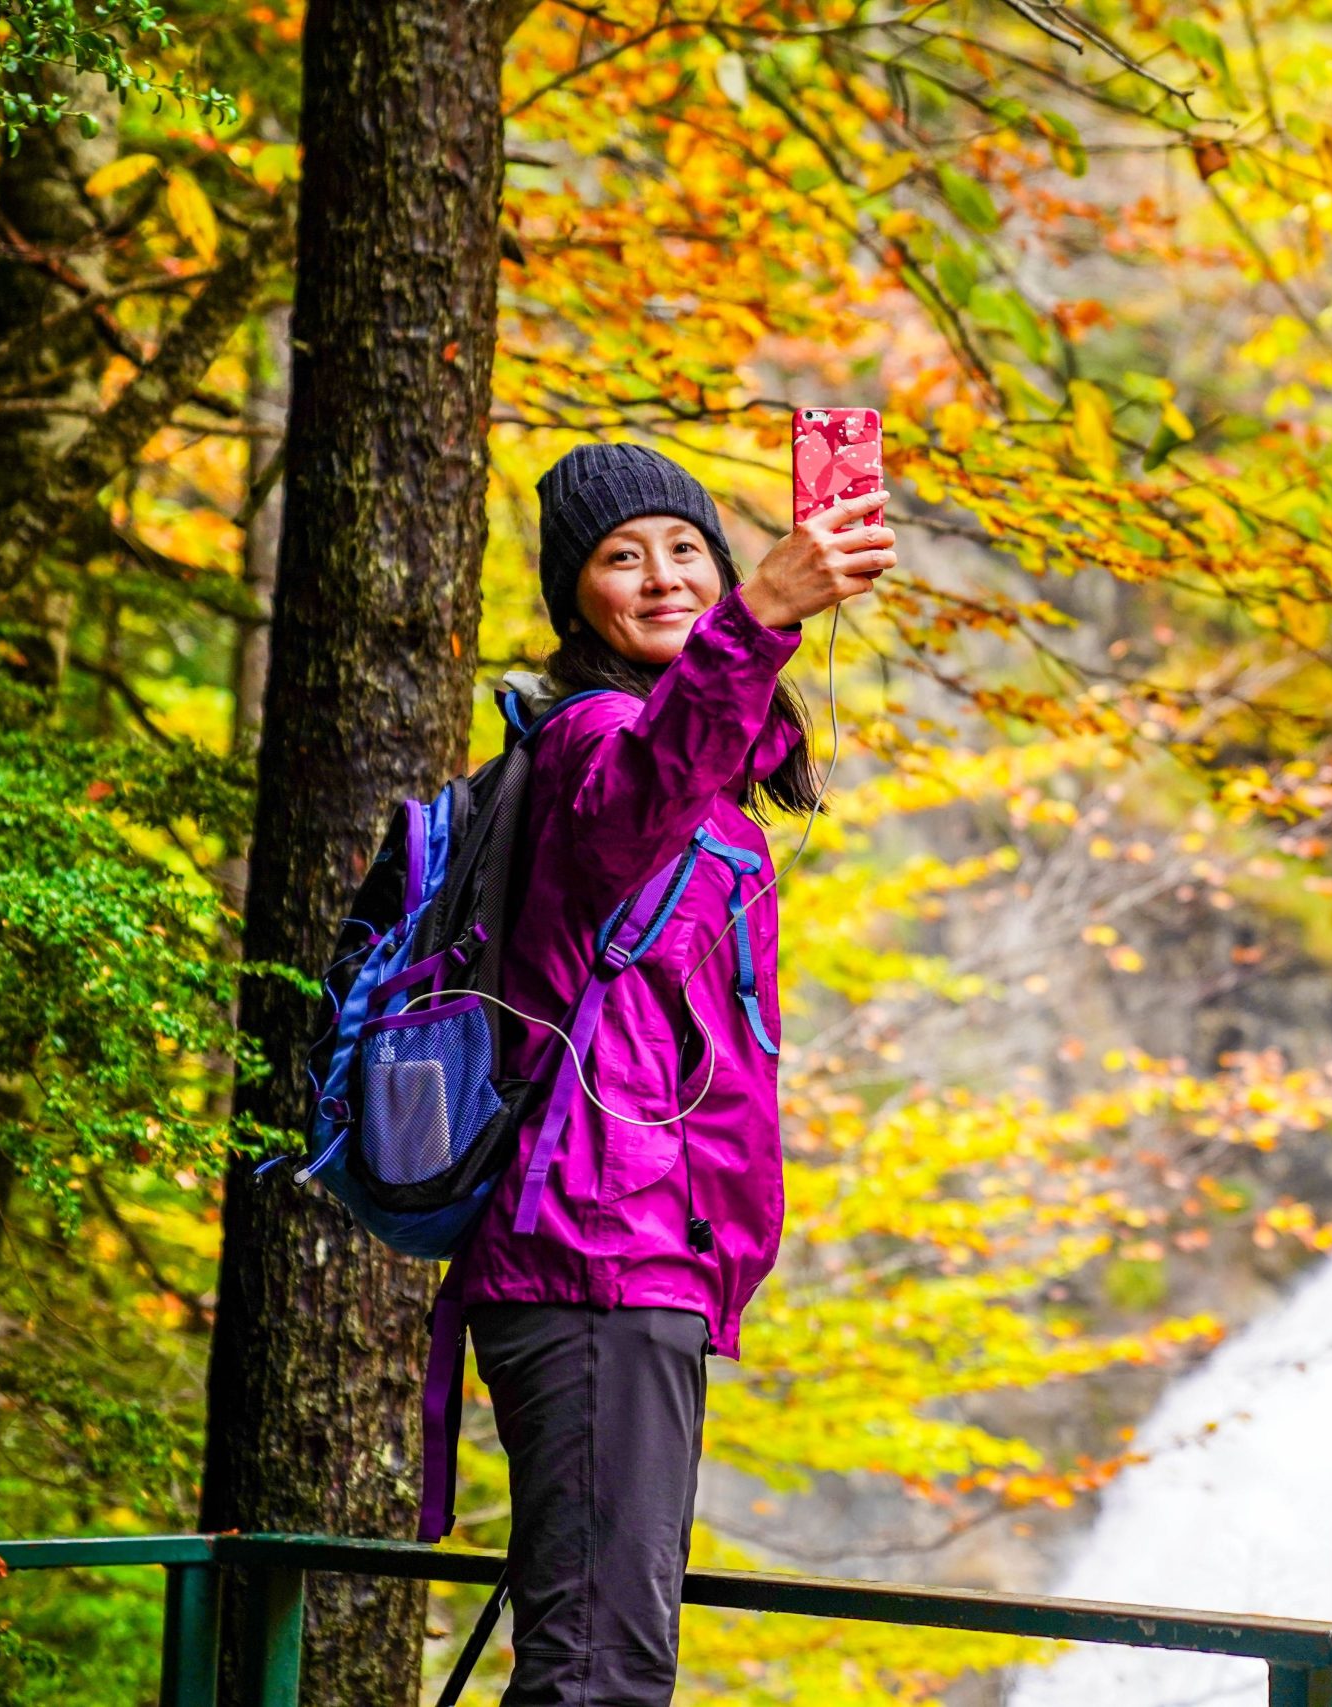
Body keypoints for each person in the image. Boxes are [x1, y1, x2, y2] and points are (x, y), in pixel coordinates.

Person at [453, 441, 892, 1706]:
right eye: (619, 557)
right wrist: (759, 616)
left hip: (637, 1260)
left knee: (604, 1651)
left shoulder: (701, 782)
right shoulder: (596, 746)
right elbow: (640, 787)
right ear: (574, 597)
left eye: (685, 549)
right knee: (601, 1673)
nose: (660, 577)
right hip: (596, 1249)